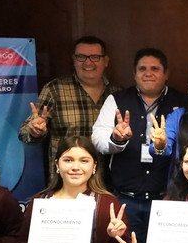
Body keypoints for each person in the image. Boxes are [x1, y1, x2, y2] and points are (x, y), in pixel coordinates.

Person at [91, 48, 188, 243]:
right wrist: (116, 138)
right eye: (142, 68)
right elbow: (98, 139)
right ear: (134, 73)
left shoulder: (182, 103)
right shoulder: (116, 100)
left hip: (168, 198)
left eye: (155, 68)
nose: (148, 73)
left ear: (166, 73)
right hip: (125, 198)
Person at [10, 136, 129, 243]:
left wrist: (116, 237)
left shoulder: (108, 203)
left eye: (84, 161)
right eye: (68, 160)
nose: (75, 167)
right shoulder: (41, 201)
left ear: (94, 166)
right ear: (57, 165)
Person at [18, 35, 121, 167]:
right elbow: (24, 133)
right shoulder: (55, 90)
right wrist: (34, 131)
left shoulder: (118, 94)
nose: (88, 63)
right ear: (74, 60)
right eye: (81, 57)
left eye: (95, 57)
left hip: (106, 178)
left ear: (106, 61)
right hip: (67, 177)